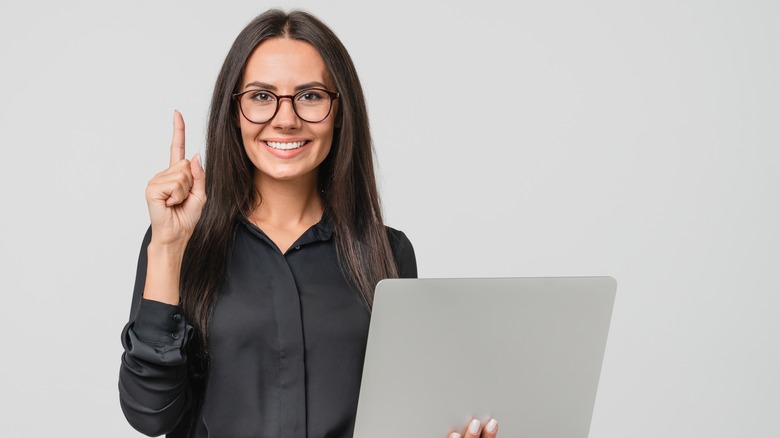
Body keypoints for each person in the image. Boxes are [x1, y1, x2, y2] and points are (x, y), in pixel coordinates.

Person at [118, 9, 498, 438]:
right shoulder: (179, 243)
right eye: (261, 96)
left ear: (339, 111)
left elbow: (399, 418)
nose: (285, 119)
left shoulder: (387, 254)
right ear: (235, 112)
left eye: (310, 95)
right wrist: (168, 247)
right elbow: (149, 414)